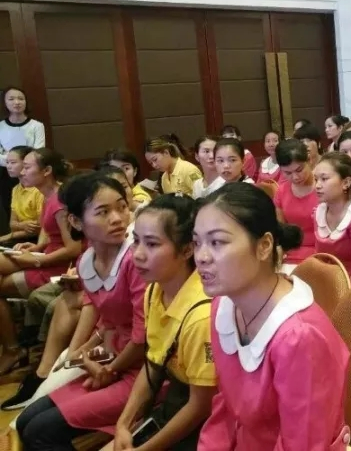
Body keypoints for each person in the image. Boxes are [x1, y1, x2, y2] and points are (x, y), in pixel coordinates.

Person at [194, 183, 351, 450]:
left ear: (264, 246)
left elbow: (303, 443)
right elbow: (226, 408)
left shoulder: (299, 337)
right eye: (197, 242)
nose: (201, 257)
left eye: (217, 242)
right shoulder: (223, 305)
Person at [16, 172, 146, 448]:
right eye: (103, 212)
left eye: (122, 207)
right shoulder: (86, 261)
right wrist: (84, 350)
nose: (118, 218)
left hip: (142, 369)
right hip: (114, 358)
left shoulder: (136, 260)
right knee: (27, 420)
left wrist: (108, 368)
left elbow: (142, 337)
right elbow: (106, 321)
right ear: (76, 221)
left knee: (40, 431)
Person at [110, 194, 217, 451]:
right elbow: (154, 363)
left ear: (187, 250)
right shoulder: (154, 291)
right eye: (136, 241)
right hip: (177, 398)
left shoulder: (201, 316)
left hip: (210, 421)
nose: (137, 254)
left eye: (152, 244)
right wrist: (123, 424)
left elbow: (201, 406)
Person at [0, 149, 81, 375]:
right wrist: (34, 248)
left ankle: (13, 349)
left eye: (27, 167)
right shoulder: (46, 195)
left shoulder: (60, 200)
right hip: (45, 258)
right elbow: (50, 238)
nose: (21, 172)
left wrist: (39, 260)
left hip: (55, 266)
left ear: (47, 171)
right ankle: (13, 348)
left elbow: (74, 248)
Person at [313, 153, 351, 282]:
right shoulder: (319, 212)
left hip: (350, 285)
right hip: (324, 281)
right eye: (316, 179)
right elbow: (318, 258)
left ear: (346, 183)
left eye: (324, 179)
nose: (317, 185)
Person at [0, 87, 45, 222]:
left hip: (31, 172)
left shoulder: (37, 126)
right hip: (6, 174)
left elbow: (38, 152)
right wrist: (13, 163)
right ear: (5, 103)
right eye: (11, 99)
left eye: (21, 98)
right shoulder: (0, 126)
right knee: (10, 209)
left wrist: (13, 160)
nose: (17, 102)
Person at [274, 139, 318, 270]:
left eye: (299, 170)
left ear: (309, 160)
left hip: (320, 255)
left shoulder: (323, 188)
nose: (295, 177)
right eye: (287, 173)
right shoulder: (282, 191)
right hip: (290, 256)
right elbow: (280, 230)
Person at [0, 145, 43, 246]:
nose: (8, 166)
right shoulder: (16, 189)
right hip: (21, 238)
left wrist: (11, 235)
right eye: (7, 162)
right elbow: (12, 224)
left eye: (13, 162)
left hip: (36, 240)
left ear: (25, 163)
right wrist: (23, 225)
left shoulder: (39, 190)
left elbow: (39, 227)